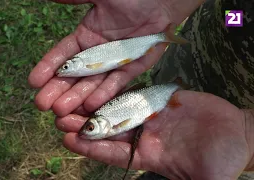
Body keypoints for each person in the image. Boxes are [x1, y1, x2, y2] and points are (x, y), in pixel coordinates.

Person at [28, 0, 254, 179]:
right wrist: (169, 4)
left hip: (230, 120)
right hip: (205, 41)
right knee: (235, 19)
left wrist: (249, 137)